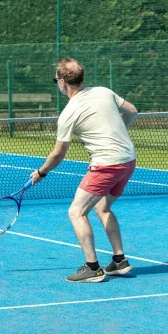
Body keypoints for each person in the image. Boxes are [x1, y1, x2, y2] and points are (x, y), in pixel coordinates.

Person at [30, 58, 138, 283]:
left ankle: (92, 268)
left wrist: (41, 172)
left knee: (76, 211)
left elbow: (58, 153)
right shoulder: (103, 91)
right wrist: (118, 131)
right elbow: (132, 111)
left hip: (106, 164)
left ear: (62, 82)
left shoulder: (69, 113)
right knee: (102, 206)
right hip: (128, 160)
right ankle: (119, 261)